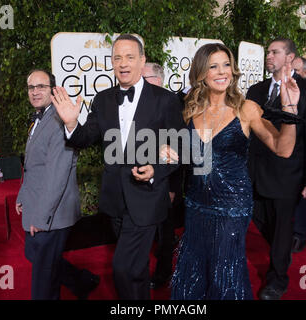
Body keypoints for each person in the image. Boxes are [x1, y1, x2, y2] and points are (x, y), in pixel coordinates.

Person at [51, 34, 186, 300]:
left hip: (147, 198)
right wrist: (70, 124)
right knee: (135, 269)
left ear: (142, 60)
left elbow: (181, 147)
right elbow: (86, 137)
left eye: (130, 57)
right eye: (117, 57)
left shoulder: (165, 100)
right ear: (111, 63)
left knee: (122, 267)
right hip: (114, 200)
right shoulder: (103, 100)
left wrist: (156, 170)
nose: (123, 63)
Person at [162, 42, 299, 300]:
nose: (222, 71)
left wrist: (290, 108)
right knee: (193, 268)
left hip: (232, 206)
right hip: (196, 203)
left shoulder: (246, 109)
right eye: (214, 66)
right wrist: (164, 149)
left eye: (226, 64)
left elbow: (283, 148)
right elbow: (181, 151)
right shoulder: (189, 109)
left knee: (224, 271)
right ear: (202, 72)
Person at [247, 38, 306, 300]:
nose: (269, 56)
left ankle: (277, 279)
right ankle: (281, 252)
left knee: (282, 229)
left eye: (275, 52)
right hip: (255, 173)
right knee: (261, 220)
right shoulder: (256, 90)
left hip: (288, 175)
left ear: (291, 58)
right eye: (268, 52)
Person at [15, 69, 100, 300]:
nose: (35, 92)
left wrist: (42, 217)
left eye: (40, 86)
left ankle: (80, 282)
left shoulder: (57, 120)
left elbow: (57, 174)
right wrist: (22, 194)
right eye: (31, 87)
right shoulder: (41, 117)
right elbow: (33, 165)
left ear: (52, 89)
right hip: (38, 200)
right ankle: (82, 281)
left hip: (54, 211)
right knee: (35, 253)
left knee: (43, 279)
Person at [142, 62, 183, 290]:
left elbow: (178, 148)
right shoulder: (139, 102)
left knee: (165, 232)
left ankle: (162, 275)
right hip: (141, 178)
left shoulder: (170, 102)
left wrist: (173, 187)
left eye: (145, 77)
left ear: (158, 79)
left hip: (166, 179)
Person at [291, 56, 306, 253]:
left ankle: (299, 232)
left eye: (296, 71)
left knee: (301, 197)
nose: (292, 75)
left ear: (304, 72)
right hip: (280, 162)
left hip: (302, 158)